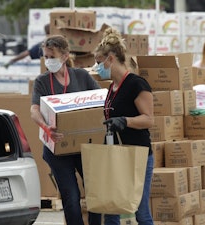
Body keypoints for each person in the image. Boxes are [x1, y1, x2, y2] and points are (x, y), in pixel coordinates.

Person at [30, 34, 101, 225]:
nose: (48, 61)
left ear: (65, 55)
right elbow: (34, 110)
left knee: (95, 192)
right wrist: (45, 127)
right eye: (46, 56)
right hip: (57, 148)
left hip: (83, 147)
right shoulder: (42, 81)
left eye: (52, 56)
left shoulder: (82, 76)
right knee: (71, 197)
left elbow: (100, 102)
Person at [91, 27, 155, 225]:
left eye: (99, 62)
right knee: (112, 208)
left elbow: (149, 119)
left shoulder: (136, 84)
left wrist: (125, 121)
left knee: (140, 210)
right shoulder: (112, 87)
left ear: (111, 59)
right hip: (116, 154)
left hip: (137, 154)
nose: (97, 67)